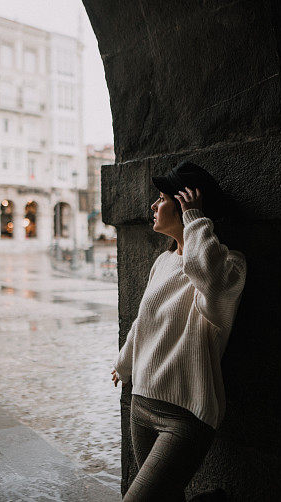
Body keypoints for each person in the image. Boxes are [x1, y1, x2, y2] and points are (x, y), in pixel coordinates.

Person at [110, 160, 247, 501]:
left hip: (186, 414)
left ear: (186, 202)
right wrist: (124, 364)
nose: (153, 206)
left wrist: (197, 221)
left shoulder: (229, 265)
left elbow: (211, 283)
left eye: (161, 198)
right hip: (141, 402)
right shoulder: (164, 261)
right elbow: (144, 321)